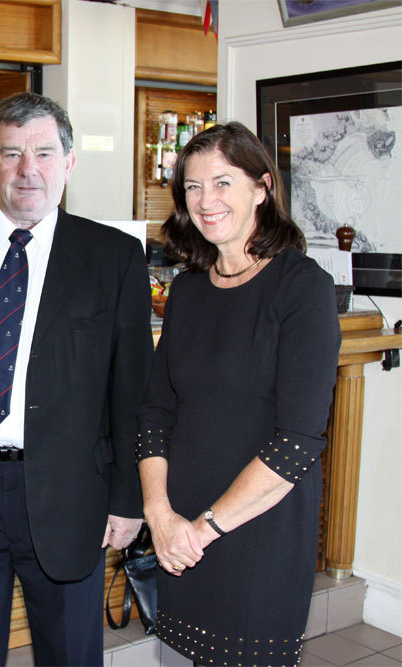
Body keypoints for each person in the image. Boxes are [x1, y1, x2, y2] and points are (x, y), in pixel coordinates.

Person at [0, 91, 154, 666]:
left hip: (71, 494)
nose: (27, 169)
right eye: (11, 153)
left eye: (43, 152)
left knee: (69, 654)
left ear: (68, 162)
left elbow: (131, 392)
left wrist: (127, 498)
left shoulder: (114, 258)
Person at [136, 121, 341, 666]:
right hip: (180, 525)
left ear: (262, 187)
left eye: (223, 182)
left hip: (256, 531)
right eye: (193, 187)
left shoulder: (303, 289)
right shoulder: (187, 290)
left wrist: (202, 530)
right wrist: (160, 514)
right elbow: (156, 411)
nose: (206, 200)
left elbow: (297, 441)